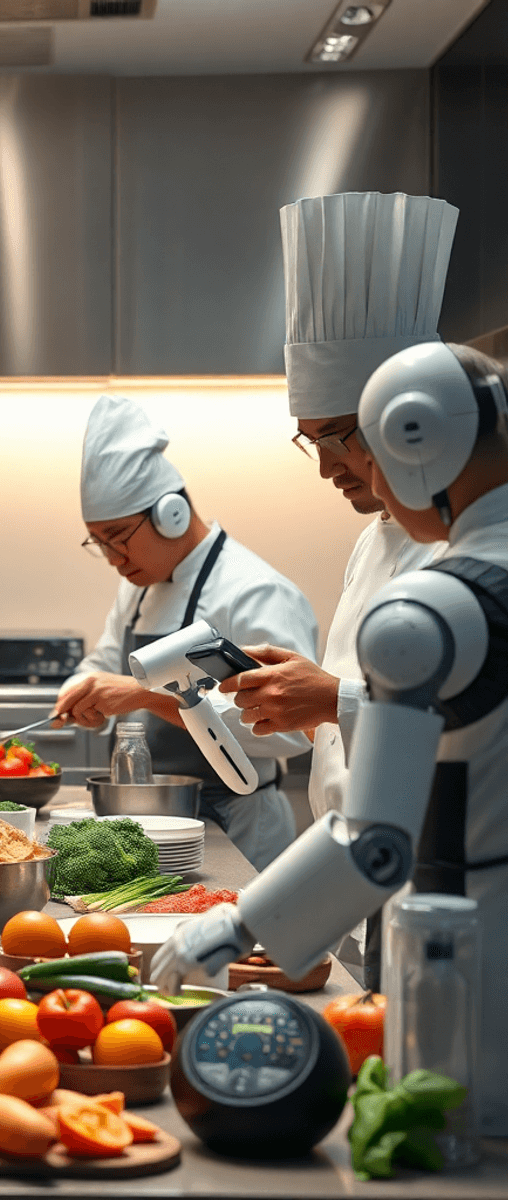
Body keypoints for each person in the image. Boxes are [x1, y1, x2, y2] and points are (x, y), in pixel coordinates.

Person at [154, 340, 508, 1135]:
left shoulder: (432, 610)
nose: (359, 476)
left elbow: (375, 844)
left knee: (456, 1138)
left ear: (420, 442)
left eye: (364, 447)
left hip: (470, 940)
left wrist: (233, 927)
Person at [217, 192, 454, 821]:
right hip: (353, 873)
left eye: (337, 437)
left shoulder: (481, 546)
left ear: (410, 420)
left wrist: (336, 699)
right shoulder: (375, 539)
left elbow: (482, 724)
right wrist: (311, 687)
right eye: (310, 441)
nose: (325, 467)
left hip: (433, 878)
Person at [54, 395, 318, 870]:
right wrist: (84, 691)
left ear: (170, 513)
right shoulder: (138, 587)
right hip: (151, 825)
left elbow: (290, 731)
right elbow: (105, 660)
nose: (113, 557)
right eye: (99, 542)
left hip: (237, 825)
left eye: (118, 537)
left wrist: (144, 695)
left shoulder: (254, 592)